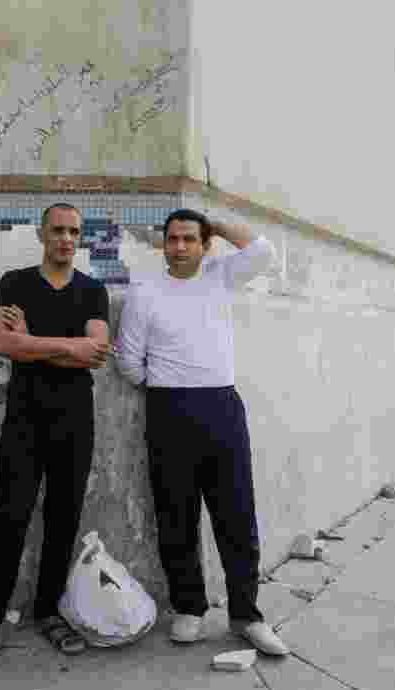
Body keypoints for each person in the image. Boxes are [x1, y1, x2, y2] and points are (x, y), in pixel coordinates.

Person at [114, 208, 289, 656]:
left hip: (221, 407)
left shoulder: (221, 275)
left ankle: (247, 615)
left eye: (190, 238)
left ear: (204, 243)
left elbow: (263, 251)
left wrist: (212, 219)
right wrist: (168, 385)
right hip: (168, 407)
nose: (179, 247)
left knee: (236, 514)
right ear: (164, 244)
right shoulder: (146, 290)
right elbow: (129, 360)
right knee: (176, 514)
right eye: (172, 239)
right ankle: (188, 607)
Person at [0, 203, 111, 670]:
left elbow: (97, 354)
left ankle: (48, 611)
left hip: (75, 419)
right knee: (10, 515)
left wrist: (36, 344)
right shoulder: (16, 283)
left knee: (63, 517)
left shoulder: (93, 290)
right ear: (42, 234)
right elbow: (5, 345)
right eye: (58, 231)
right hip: (24, 417)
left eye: (74, 232)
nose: (66, 239)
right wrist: (70, 346)